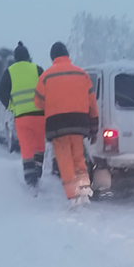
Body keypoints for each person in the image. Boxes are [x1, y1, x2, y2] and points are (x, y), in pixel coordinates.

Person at [34, 42, 99, 206]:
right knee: (79, 159)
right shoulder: (82, 74)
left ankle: (73, 197)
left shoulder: (46, 76)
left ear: (52, 57)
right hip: (79, 123)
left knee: (65, 161)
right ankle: (84, 192)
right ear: (67, 55)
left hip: (57, 126)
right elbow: (92, 101)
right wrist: (94, 123)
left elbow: (38, 103)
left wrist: (53, 105)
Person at [0, 41, 45, 186]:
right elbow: (47, 88)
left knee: (26, 147)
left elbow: (2, 93)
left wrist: (12, 106)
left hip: (21, 117)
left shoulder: (9, 72)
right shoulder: (37, 69)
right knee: (39, 145)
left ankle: (30, 179)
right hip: (39, 115)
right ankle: (38, 170)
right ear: (28, 56)